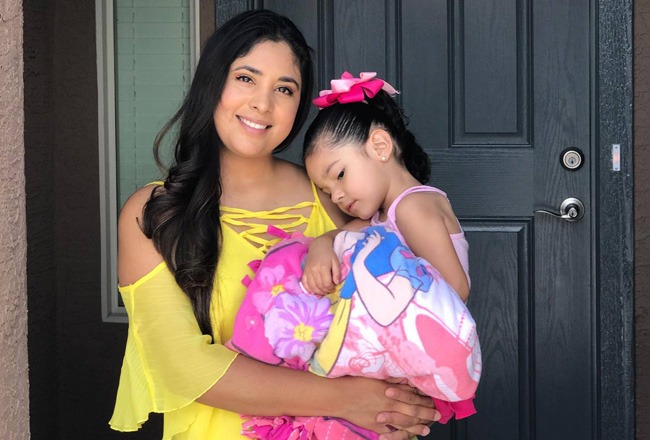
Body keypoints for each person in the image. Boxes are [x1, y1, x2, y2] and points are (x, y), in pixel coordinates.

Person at [109, 11, 438, 440]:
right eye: (246, 78)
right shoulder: (155, 213)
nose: (263, 103)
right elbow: (181, 365)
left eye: (284, 89)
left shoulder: (337, 199)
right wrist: (347, 401)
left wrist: (395, 411)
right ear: (213, 83)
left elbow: (405, 317)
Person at [301, 72, 471, 305]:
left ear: (380, 147)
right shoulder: (381, 217)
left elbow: (455, 290)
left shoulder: (411, 208)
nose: (336, 196)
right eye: (327, 192)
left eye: (340, 175)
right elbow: (333, 237)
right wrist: (320, 246)